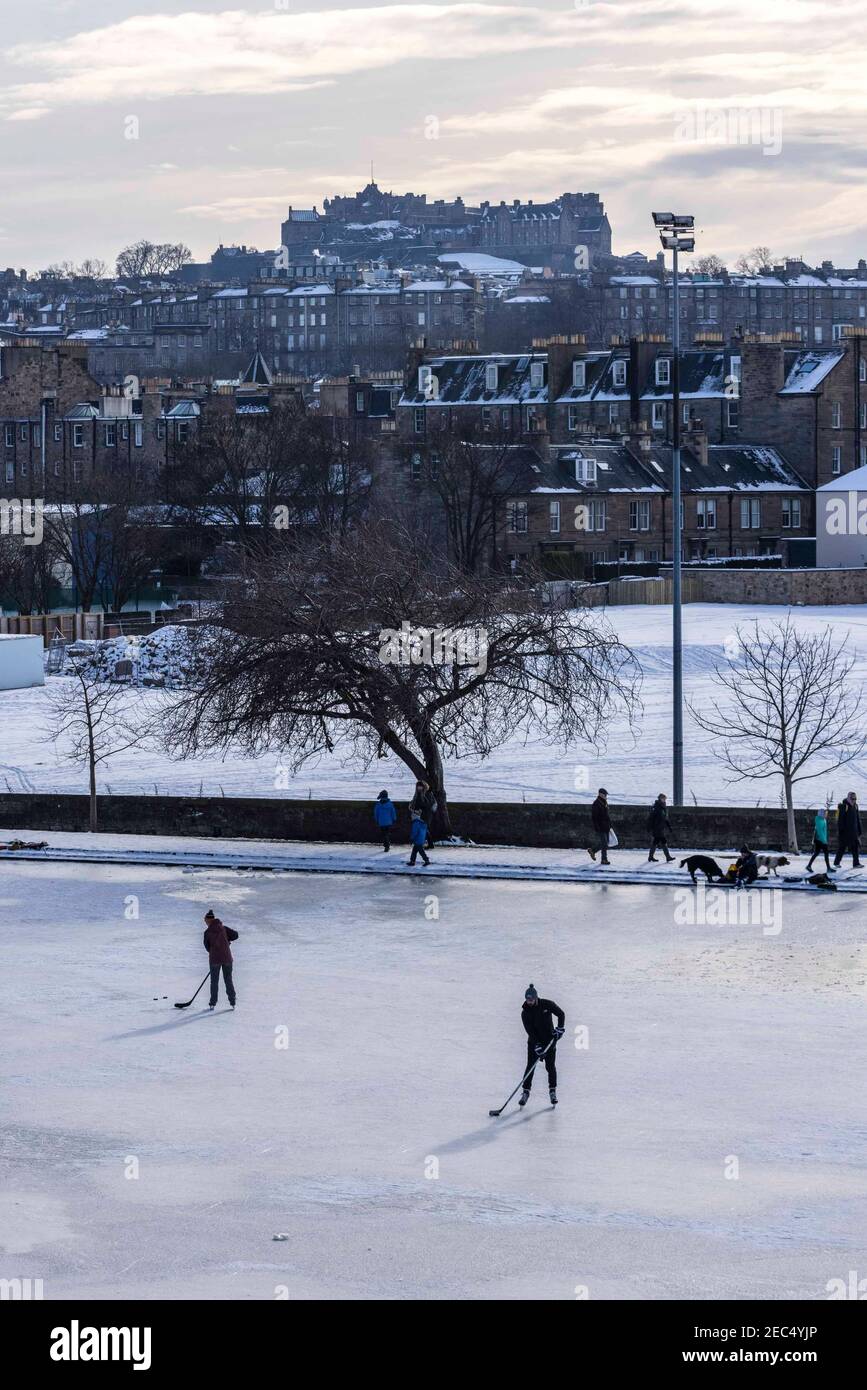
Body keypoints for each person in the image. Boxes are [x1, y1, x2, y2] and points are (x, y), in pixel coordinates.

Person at [519, 984, 565, 1107]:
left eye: (531, 999)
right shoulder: (525, 1013)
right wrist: (537, 1046)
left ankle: (552, 1091)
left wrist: (560, 1028)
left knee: (550, 1067)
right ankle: (525, 1092)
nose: (529, 1002)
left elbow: (561, 1014)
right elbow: (530, 1032)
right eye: (527, 999)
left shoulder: (547, 1004)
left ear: (536, 997)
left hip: (549, 1041)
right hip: (534, 1043)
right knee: (530, 1067)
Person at [203, 909, 238, 1010]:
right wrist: (226, 941)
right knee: (228, 979)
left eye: (205, 921)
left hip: (214, 960)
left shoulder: (207, 932)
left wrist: (215, 950)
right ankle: (233, 1001)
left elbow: (207, 947)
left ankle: (212, 1003)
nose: (205, 922)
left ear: (209, 920)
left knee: (214, 981)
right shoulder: (224, 929)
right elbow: (235, 935)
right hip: (227, 958)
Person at [834, 791, 862, 869]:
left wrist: (859, 830)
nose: (854, 800)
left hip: (854, 832)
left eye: (855, 798)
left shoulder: (855, 806)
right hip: (845, 833)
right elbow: (840, 820)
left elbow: (857, 819)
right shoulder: (844, 806)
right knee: (842, 848)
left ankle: (856, 864)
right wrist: (841, 831)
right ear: (848, 798)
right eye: (852, 798)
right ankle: (836, 863)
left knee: (855, 847)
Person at [409, 779, 437, 849]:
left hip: (426, 814)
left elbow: (428, 804)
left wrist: (421, 808)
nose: (419, 788)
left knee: (424, 828)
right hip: (420, 814)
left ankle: (427, 844)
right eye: (418, 787)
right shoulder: (418, 793)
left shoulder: (427, 793)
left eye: (420, 787)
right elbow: (415, 802)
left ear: (424, 787)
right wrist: (412, 806)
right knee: (423, 829)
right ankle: (428, 844)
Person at [647, 792, 674, 863]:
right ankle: (667, 857)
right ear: (660, 799)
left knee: (656, 842)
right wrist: (649, 827)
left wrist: (669, 826)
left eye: (665, 799)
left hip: (661, 828)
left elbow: (665, 819)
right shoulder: (656, 808)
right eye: (664, 799)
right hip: (657, 828)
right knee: (663, 841)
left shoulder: (663, 808)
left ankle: (651, 857)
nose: (665, 800)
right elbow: (651, 818)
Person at [588, 787, 611, 865]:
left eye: (606, 794)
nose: (606, 796)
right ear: (600, 794)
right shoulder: (596, 803)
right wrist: (597, 827)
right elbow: (594, 817)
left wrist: (610, 825)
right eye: (605, 794)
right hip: (600, 827)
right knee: (604, 843)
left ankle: (593, 850)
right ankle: (604, 859)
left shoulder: (605, 802)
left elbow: (607, 815)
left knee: (606, 843)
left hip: (606, 826)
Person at [806, 807, 833, 874]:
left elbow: (823, 831)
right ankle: (828, 868)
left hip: (820, 839)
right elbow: (820, 831)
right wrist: (824, 841)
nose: (826, 814)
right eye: (825, 813)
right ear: (821, 814)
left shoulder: (822, 819)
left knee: (816, 853)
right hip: (820, 840)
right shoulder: (819, 821)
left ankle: (809, 866)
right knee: (825, 853)